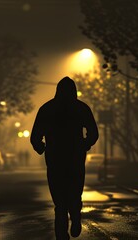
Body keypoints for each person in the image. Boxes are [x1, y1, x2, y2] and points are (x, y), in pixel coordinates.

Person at [30, 76, 99, 239]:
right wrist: (84, 144)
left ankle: (62, 233)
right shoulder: (81, 108)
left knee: (59, 201)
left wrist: (42, 148)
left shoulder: (47, 109)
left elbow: (35, 137)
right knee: (74, 193)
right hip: (76, 159)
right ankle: (75, 216)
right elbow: (94, 133)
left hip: (55, 160)